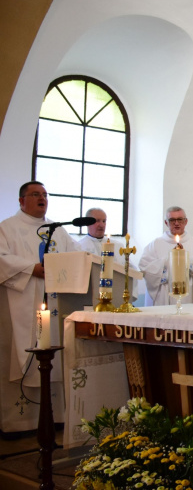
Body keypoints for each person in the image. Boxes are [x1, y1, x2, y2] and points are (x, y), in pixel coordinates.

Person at [0, 181, 77, 433]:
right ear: (21, 200)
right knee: (23, 355)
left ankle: (57, 417)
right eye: (35, 194)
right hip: (22, 304)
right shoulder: (7, 228)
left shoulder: (58, 230)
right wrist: (30, 268)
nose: (42, 198)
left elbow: (75, 257)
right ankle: (20, 423)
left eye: (44, 194)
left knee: (57, 353)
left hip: (57, 303)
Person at [138, 206, 193, 306]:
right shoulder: (155, 244)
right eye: (172, 220)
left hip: (189, 294)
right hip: (163, 294)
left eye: (180, 219)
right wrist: (167, 263)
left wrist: (188, 267)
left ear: (186, 221)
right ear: (166, 223)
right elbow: (144, 267)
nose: (176, 223)